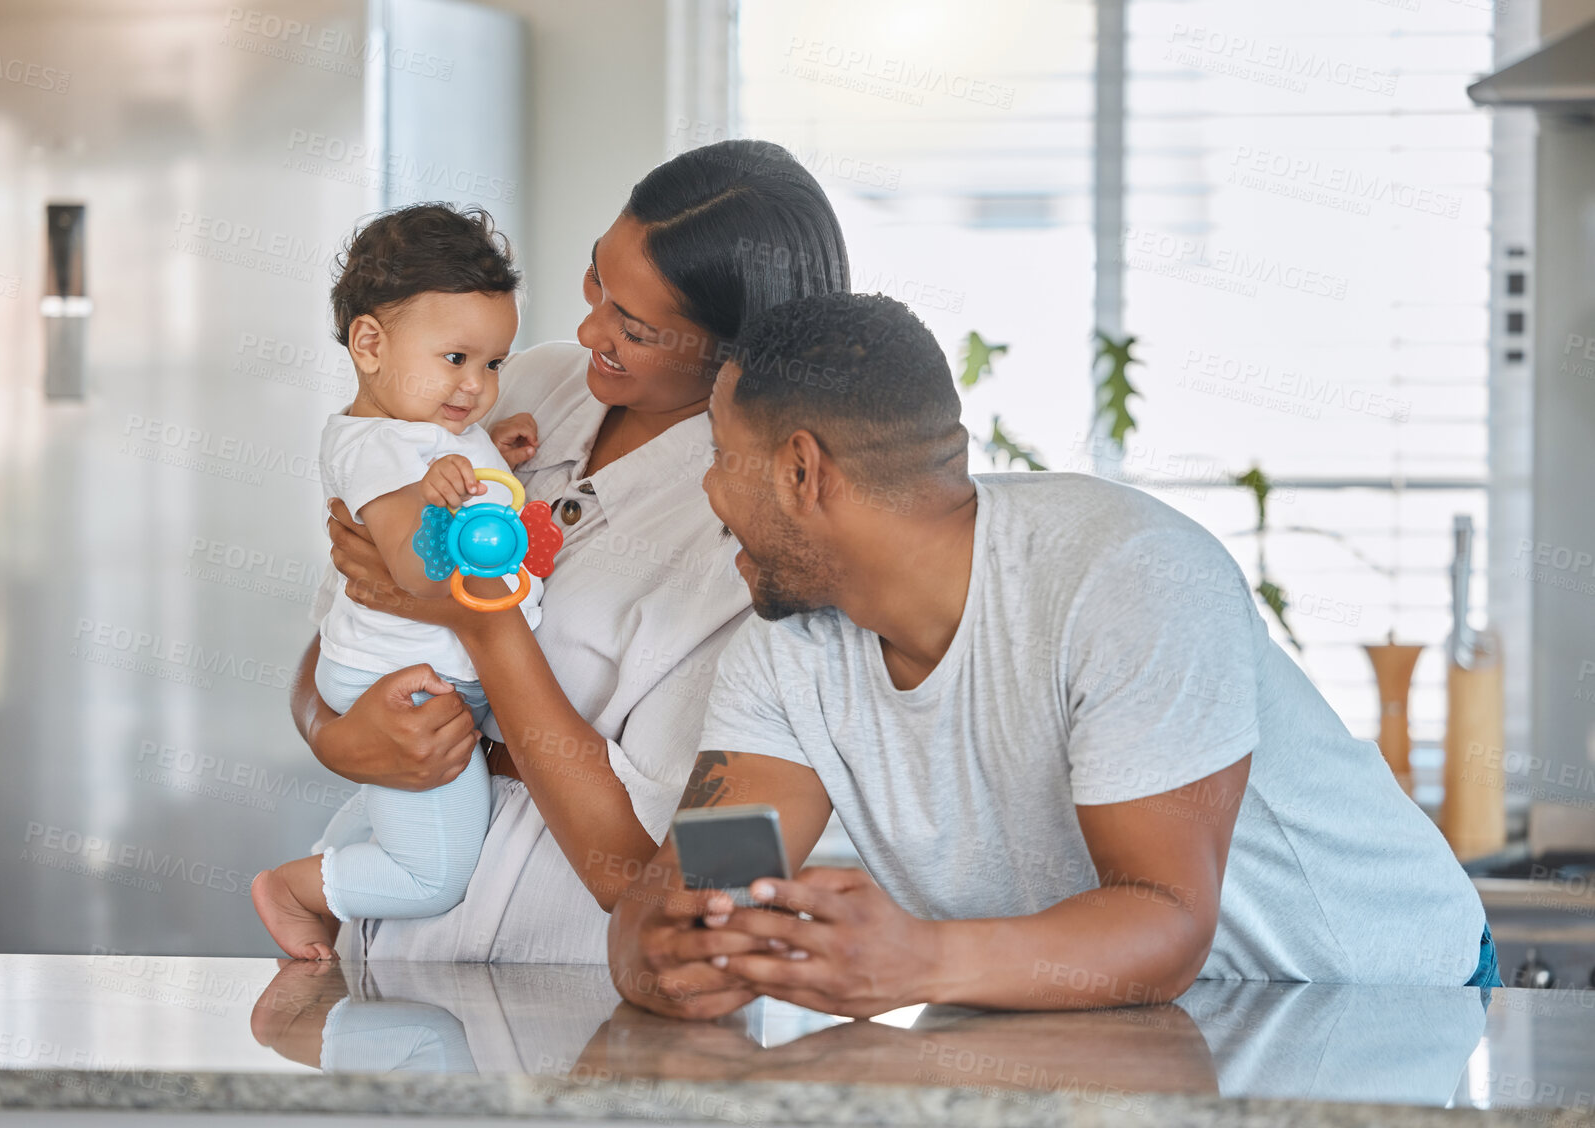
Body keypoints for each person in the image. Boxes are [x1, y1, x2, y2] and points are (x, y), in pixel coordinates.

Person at [609, 292, 1497, 1020]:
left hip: (1383, 1002)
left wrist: (917, 961)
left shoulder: (1127, 576)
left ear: (803, 472)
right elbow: (697, 892)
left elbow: (1165, 925)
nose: (708, 490)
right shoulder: (786, 650)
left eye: (721, 456)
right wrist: (681, 948)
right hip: (1128, 1026)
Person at [294, 140, 851, 962]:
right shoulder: (519, 387)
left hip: (563, 978)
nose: (588, 326)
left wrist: (485, 626)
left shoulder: (763, 539)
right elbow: (347, 623)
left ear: (734, 350)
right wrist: (328, 734)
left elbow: (655, 875)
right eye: (598, 278)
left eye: (635, 327)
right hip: (377, 944)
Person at [252, 204, 545, 959]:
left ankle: (335, 860)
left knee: (404, 816)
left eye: (493, 364)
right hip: (404, 682)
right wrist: (442, 496)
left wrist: (490, 464)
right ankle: (297, 889)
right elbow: (413, 574)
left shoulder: (428, 430)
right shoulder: (379, 448)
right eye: (456, 359)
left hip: (423, 671)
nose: (476, 387)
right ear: (370, 343)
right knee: (434, 876)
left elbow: (470, 486)